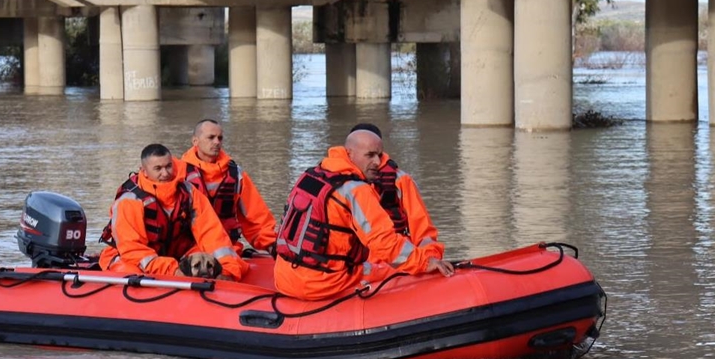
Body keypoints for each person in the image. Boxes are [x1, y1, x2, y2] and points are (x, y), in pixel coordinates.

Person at [274, 130, 454, 300]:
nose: (377, 162)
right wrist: (425, 262)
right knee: (392, 269)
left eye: (379, 155)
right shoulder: (357, 190)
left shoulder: (310, 176)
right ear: (350, 154)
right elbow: (384, 242)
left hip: (284, 277)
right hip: (322, 283)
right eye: (370, 155)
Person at [99, 143, 249, 281]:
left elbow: (212, 234)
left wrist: (227, 270)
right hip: (132, 257)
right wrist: (173, 270)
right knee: (129, 272)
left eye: (168, 166)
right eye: (158, 169)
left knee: (213, 256)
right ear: (143, 171)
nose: (165, 173)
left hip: (173, 256)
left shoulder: (188, 192)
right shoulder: (130, 200)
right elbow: (132, 250)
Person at [181, 119, 278, 254]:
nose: (217, 142)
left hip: (227, 248)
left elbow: (256, 216)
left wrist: (272, 245)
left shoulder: (235, 174)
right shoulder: (179, 173)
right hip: (190, 250)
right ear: (195, 141)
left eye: (220, 138)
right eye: (211, 137)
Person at [349, 123, 439, 248]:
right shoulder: (339, 183)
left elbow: (422, 229)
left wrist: (429, 259)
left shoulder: (401, 180)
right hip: (361, 259)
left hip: (391, 256)